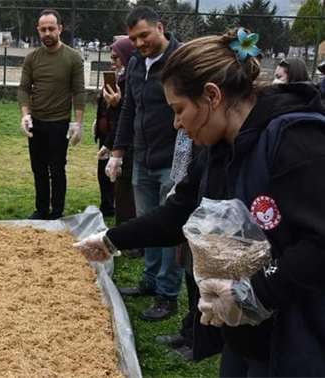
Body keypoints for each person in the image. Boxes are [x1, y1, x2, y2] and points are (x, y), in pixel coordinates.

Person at [76, 28, 325, 377]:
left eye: (179, 110)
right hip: (244, 333)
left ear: (211, 95)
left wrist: (254, 293)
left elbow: (318, 244)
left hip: (297, 340)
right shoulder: (216, 151)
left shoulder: (295, 143)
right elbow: (177, 213)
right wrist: (109, 241)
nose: (178, 124)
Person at [107, 6, 184, 321]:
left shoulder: (180, 62)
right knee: (148, 222)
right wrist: (117, 152)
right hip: (142, 157)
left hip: (172, 161)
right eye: (133, 38)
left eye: (144, 35)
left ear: (160, 28)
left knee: (170, 229)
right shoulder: (137, 64)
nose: (139, 43)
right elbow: (129, 110)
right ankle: (149, 281)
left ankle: (168, 294)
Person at [18, 9, 85, 220]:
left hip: (59, 123)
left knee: (57, 169)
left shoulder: (73, 58)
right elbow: (24, 89)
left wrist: (78, 123)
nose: (47, 33)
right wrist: (25, 115)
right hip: (36, 122)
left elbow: (79, 91)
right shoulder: (32, 58)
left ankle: (57, 211)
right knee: (38, 168)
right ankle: (41, 209)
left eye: (51, 29)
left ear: (60, 29)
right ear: (38, 30)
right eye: (43, 29)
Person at [97, 35, 145, 260]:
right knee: (122, 190)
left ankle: (135, 242)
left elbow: (130, 116)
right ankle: (125, 237)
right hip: (122, 144)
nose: (114, 62)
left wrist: (117, 103)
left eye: (117, 57)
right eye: (112, 57)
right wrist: (109, 144)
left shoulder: (134, 81)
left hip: (136, 145)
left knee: (131, 193)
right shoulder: (120, 80)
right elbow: (118, 119)